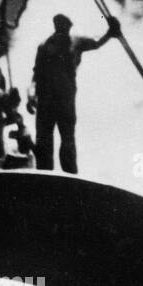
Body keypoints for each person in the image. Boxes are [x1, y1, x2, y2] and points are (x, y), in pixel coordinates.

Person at [32, 12, 120, 174]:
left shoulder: (76, 42)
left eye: (65, 26)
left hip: (65, 98)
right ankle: (44, 174)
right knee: (44, 140)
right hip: (46, 98)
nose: (62, 28)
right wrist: (31, 95)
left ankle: (69, 174)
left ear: (69, 27)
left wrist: (110, 33)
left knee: (67, 139)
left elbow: (96, 42)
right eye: (59, 25)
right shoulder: (44, 46)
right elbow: (36, 73)